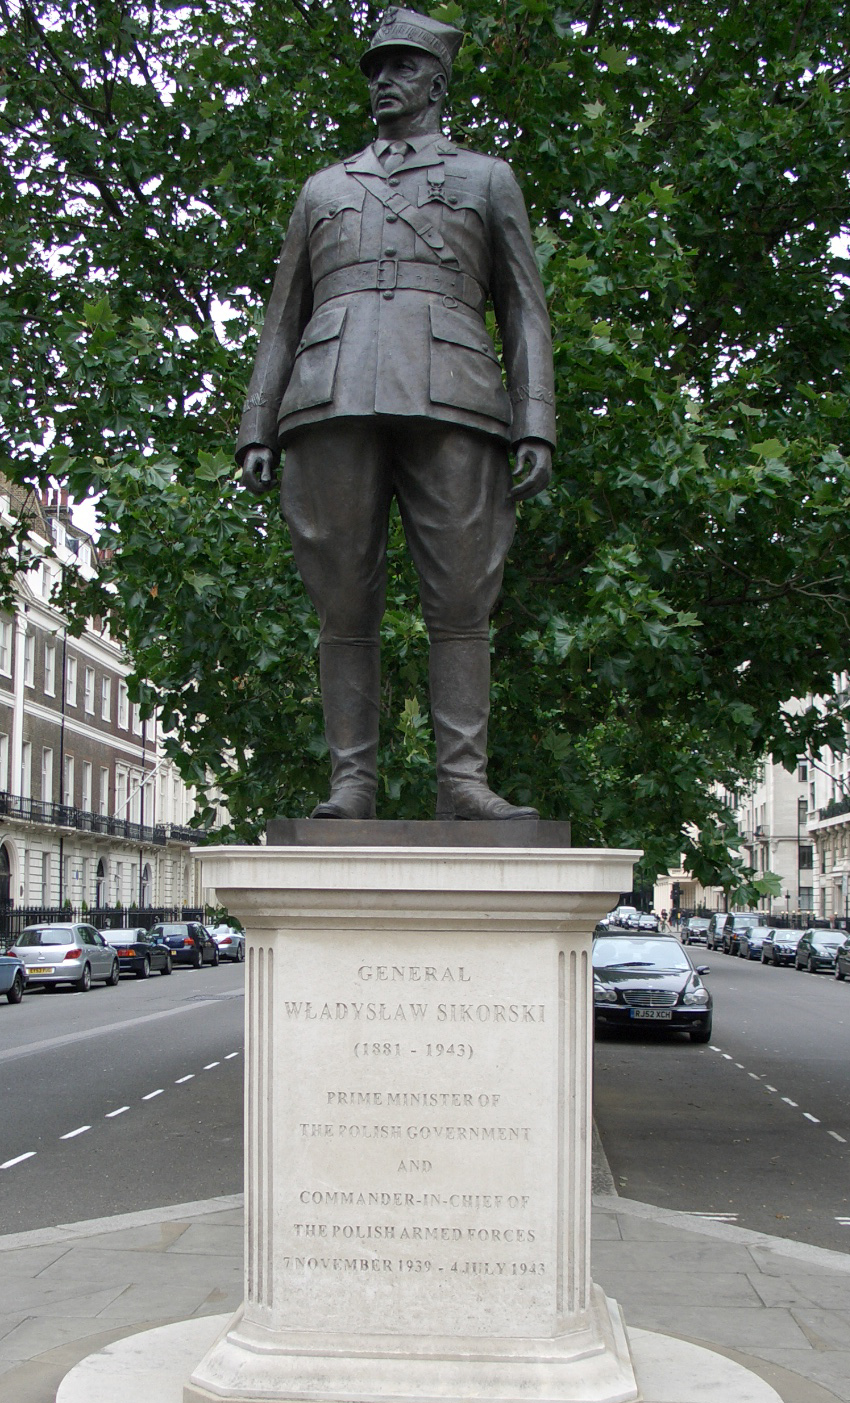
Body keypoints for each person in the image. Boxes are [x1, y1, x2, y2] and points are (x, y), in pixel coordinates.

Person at [237, 8, 556, 820]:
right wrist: (255, 424)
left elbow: (523, 310)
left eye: (403, 66)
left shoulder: (488, 179)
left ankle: (464, 782)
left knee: (462, 597)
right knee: (343, 601)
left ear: (437, 81)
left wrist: (537, 419)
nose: (384, 80)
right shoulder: (325, 188)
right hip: (330, 397)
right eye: (376, 68)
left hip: (456, 396)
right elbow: (282, 318)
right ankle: (352, 783)